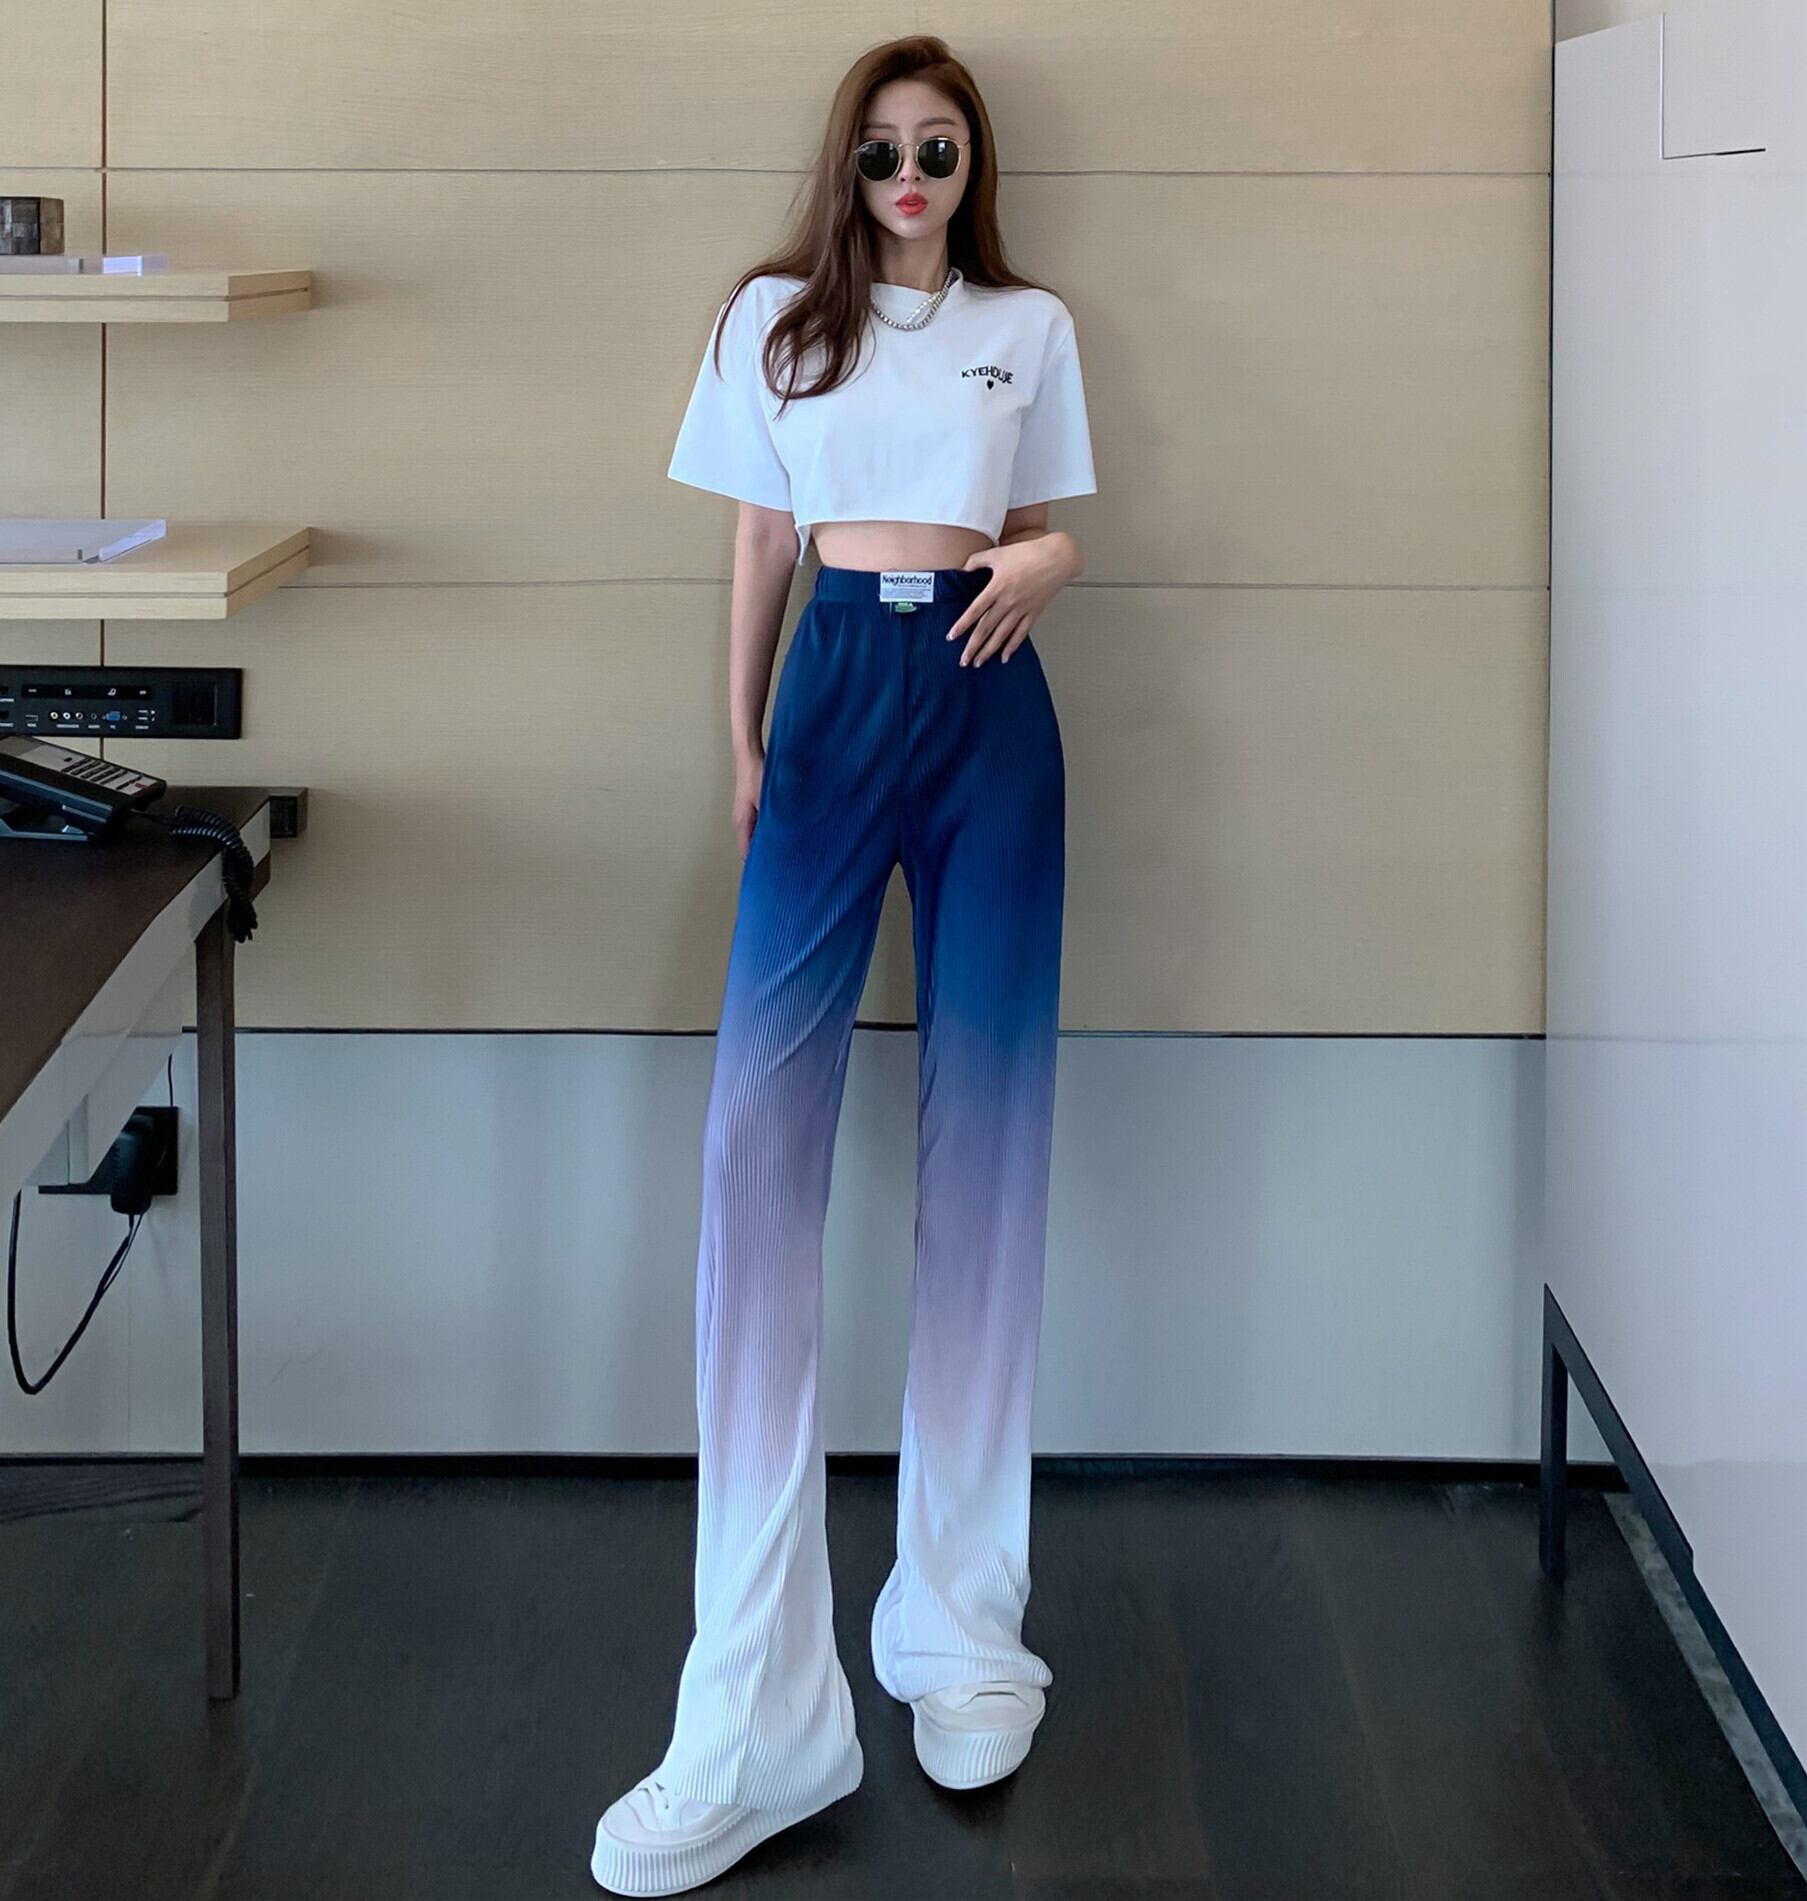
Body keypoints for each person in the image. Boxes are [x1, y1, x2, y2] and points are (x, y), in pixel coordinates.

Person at [591, 32, 1096, 1898]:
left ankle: (958, 1624)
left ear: (972, 167)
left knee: (990, 1160)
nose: (906, 178)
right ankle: (757, 1705)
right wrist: (740, 739)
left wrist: (1051, 563)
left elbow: (1035, 531)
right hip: (826, 700)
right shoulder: (770, 321)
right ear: (846, 162)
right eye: (881, 150)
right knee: (755, 1159)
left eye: (937, 150)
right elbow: (754, 537)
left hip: (986, 700)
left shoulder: (1027, 328)